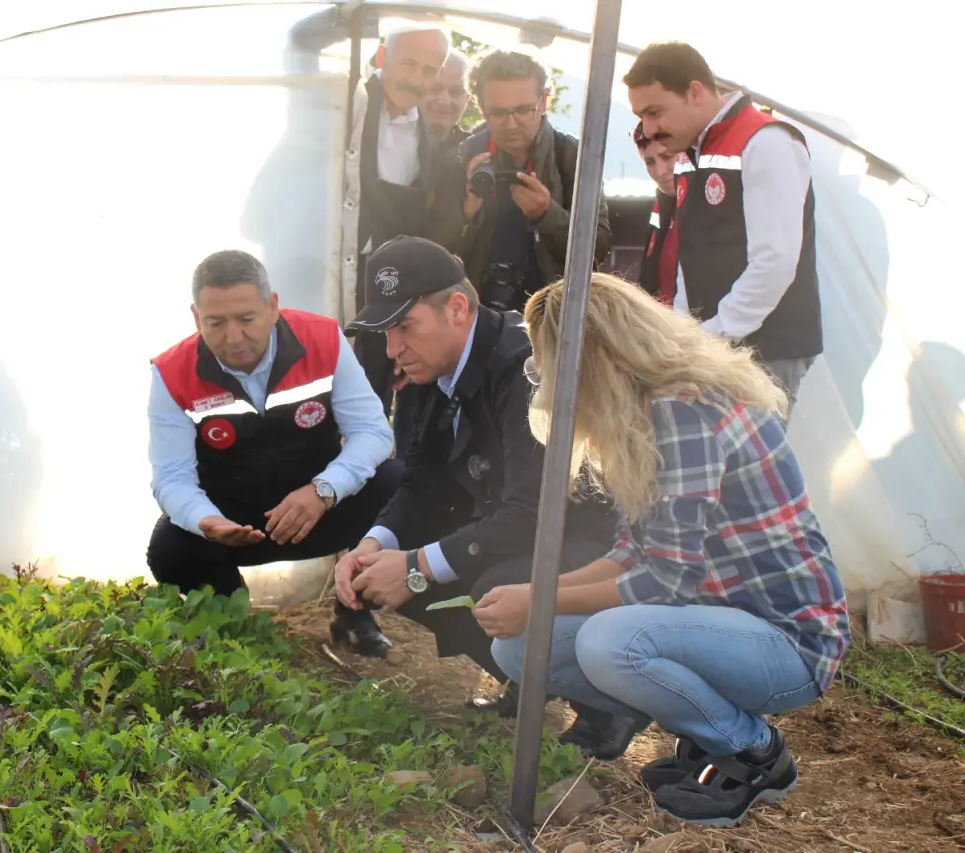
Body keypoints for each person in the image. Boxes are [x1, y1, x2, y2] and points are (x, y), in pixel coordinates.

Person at [479, 272, 849, 826]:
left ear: (589, 357)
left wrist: (539, 601)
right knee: (520, 651)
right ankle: (705, 738)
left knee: (611, 641)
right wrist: (534, 595)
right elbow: (634, 553)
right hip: (720, 624)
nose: (544, 379)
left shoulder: (684, 411)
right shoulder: (644, 416)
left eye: (544, 362)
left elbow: (668, 584)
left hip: (789, 640)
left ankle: (753, 753)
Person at [335, 236, 635, 759]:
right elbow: (422, 481)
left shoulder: (526, 366)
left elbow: (536, 513)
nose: (392, 350)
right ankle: (528, 675)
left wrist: (413, 566)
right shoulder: (433, 364)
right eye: (386, 333)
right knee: (402, 562)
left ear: (455, 309)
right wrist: (374, 543)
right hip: (513, 521)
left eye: (405, 328)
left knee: (496, 584)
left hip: (594, 539)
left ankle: (606, 703)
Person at [146, 249, 401, 657]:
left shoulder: (323, 339)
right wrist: (208, 522)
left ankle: (352, 615)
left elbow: (372, 433)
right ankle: (233, 626)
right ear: (196, 318)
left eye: (246, 319)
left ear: (273, 307)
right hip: (235, 524)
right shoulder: (172, 372)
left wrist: (323, 491)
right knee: (170, 549)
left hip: (318, 509)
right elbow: (171, 477)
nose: (233, 337)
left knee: (398, 487)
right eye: (216, 323)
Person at [624, 41, 822, 415]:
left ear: (695, 91)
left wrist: (712, 335)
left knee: (749, 469)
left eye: (655, 112)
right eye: (641, 116)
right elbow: (691, 253)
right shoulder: (690, 151)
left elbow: (774, 262)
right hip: (714, 346)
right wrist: (684, 334)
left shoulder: (767, 141)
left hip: (765, 350)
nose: (649, 129)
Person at [430, 49, 611, 314]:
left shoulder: (573, 157)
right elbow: (435, 253)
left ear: (545, 101)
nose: (511, 124)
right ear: (481, 107)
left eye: (524, 110)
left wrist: (547, 214)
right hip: (475, 314)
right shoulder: (460, 158)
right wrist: (466, 213)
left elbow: (599, 248)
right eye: (499, 112)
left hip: (552, 313)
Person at [341, 24, 450, 427]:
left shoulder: (429, 135)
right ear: (382, 57)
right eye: (408, 63)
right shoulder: (344, 108)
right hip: (331, 276)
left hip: (383, 295)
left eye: (429, 69)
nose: (417, 79)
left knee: (369, 405)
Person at [632, 120, 680, 306]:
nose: (660, 172)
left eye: (667, 157)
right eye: (649, 162)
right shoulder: (660, 204)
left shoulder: (709, 202)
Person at [422, 48, 472, 157]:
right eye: (434, 89)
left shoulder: (475, 152)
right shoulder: (386, 144)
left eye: (456, 92)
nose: (444, 102)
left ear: (467, 99)